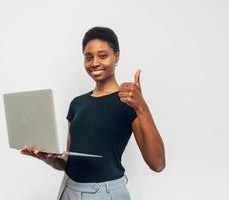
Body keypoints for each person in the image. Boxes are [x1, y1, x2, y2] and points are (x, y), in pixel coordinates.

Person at [20, 26, 166, 200]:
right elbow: (68, 163)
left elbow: (158, 164)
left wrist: (142, 106)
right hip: (68, 189)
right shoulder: (77, 103)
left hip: (105, 194)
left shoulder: (128, 102)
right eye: (88, 57)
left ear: (116, 57)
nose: (94, 62)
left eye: (103, 56)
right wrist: (47, 157)